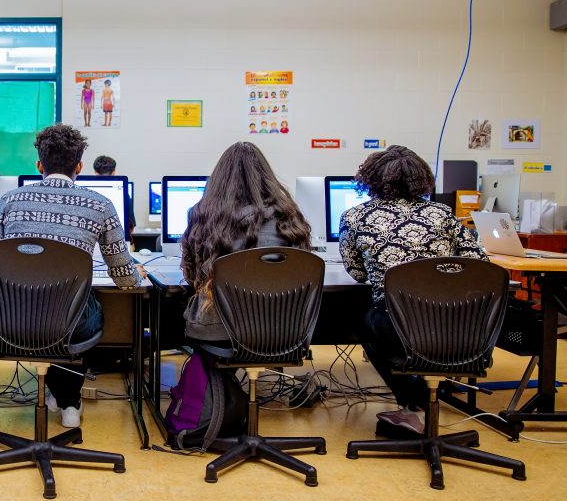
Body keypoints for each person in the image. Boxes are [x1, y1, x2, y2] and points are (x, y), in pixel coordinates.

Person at [0, 125, 142, 428]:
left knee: (51, 307)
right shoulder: (100, 204)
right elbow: (125, 279)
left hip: (14, 319)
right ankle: (69, 403)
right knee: (81, 305)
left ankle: (55, 394)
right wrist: (135, 273)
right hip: (71, 323)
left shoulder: (8, 202)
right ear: (79, 167)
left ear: (39, 166)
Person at [340, 145, 487, 436]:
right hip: (456, 324)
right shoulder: (443, 214)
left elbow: (357, 274)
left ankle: (411, 398)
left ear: (369, 178)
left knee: (359, 317)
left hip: (397, 325)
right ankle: (420, 397)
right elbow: (478, 264)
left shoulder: (356, 217)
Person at [180, 141, 312, 342]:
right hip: (286, 328)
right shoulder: (290, 219)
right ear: (266, 178)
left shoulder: (204, 217)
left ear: (218, 180)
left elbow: (193, 276)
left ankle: (215, 373)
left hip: (221, 328)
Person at [93, 154, 135, 239]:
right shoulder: (125, 195)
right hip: (119, 240)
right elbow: (131, 226)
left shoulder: (87, 193)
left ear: (95, 173)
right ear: (114, 173)